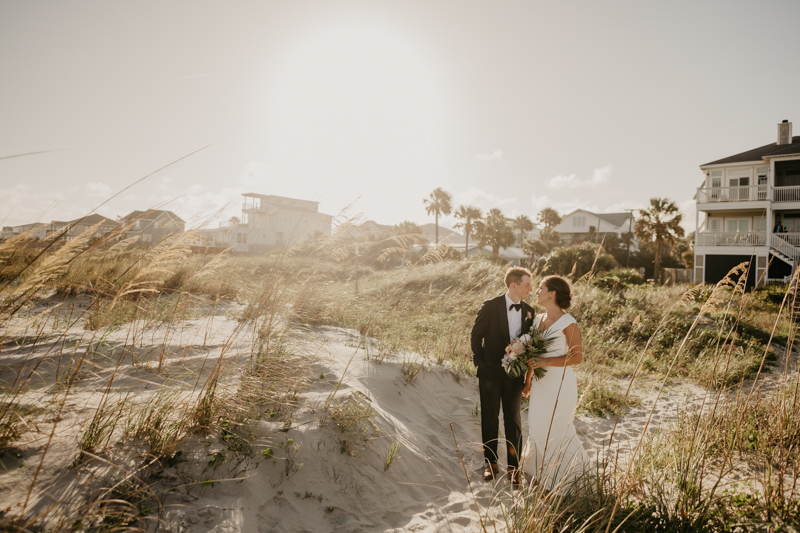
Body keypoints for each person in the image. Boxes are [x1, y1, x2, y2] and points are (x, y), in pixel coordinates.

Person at [521, 275, 589, 492]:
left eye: (541, 288)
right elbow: (533, 353)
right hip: (540, 385)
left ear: (552, 293)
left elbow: (577, 357)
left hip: (560, 384)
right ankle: (539, 476)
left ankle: (564, 482)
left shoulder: (569, 322)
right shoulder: (536, 319)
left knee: (558, 430)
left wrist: (546, 361)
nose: (536, 291)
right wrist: (528, 380)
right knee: (538, 428)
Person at [470, 266, 535, 487]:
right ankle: (491, 464)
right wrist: (479, 362)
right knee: (489, 417)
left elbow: (530, 343)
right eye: (527, 284)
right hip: (489, 373)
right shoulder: (490, 306)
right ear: (514, 285)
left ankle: (514, 468)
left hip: (515, 376)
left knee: (513, 420)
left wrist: (526, 374)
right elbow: (476, 335)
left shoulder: (529, 311)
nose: (531, 288)